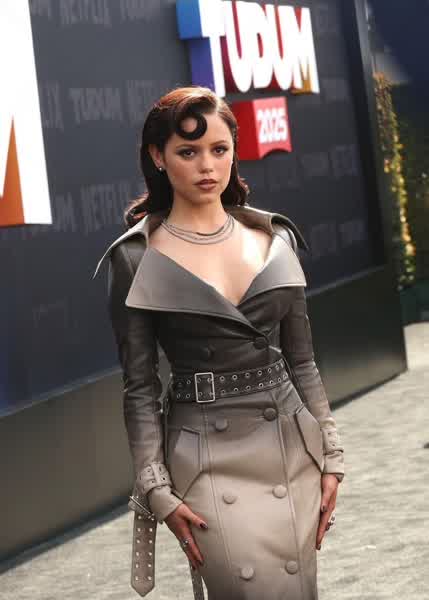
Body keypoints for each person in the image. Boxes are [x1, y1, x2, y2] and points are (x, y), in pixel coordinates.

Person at [93, 85, 345, 599]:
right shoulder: (136, 257)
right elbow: (140, 387)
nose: (207, 165)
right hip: (205, 456)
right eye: (188, 152)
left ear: (234, 150)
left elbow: (302, 361)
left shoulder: (276, 238)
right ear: (158, 156)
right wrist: (155, 487)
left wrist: (332, 456)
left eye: (219, 149)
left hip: (290, 448)